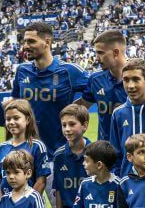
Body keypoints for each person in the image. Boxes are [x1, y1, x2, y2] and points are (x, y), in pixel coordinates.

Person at [11, 21, 89, 153]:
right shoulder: (21, 70)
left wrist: (76, 110)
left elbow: (94, 89)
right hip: (27, 152)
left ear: (47, 42)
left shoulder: (69, 71)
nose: (25, 46)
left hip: (59, 152)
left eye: (31, 41)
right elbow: (16, 104)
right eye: (24, 42)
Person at [52, 104, 90, 208]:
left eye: (72, 124)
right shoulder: (59, 156)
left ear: (85, 125)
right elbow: (58, 192)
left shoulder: (96, 151)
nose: (67, 129)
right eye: (64, 125)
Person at [0, 99, 51, 197]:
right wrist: (2, 206)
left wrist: (27, 203)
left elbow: (41, 181)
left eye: (16, 118)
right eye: (8, 119)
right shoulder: (0, 149)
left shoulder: (37, 146)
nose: (11, 122)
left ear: (27, 120)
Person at [78, 30, 130, 141]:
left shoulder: (142, 77)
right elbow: (79, 109)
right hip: (104, 152)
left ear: (116, 52)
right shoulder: (95, 79)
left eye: (101, 53)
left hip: (134, 151)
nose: (96, 57)